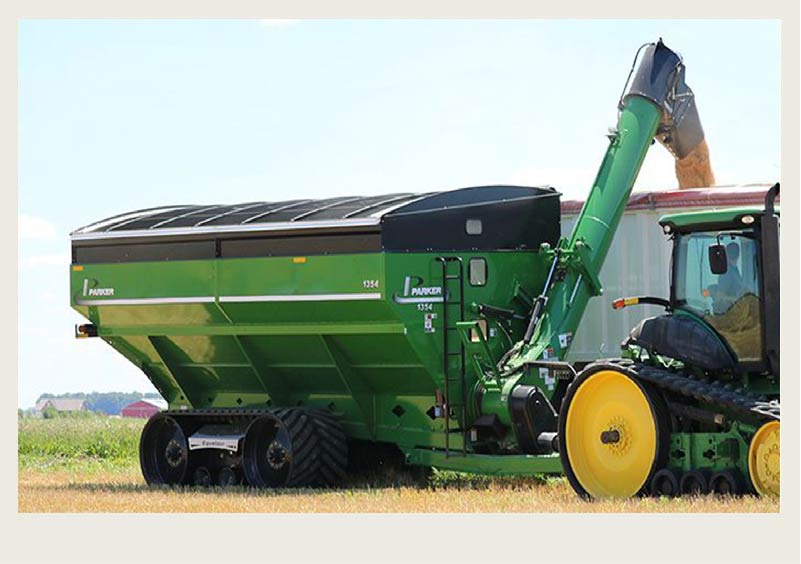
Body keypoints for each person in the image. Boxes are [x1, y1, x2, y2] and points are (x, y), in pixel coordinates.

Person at [714, 241, 746, 313]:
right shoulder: (727, 273)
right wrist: (737, 300)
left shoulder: (734, 271)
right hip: (727, 313)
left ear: (726, 255)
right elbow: (719, 297)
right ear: (738, 256)